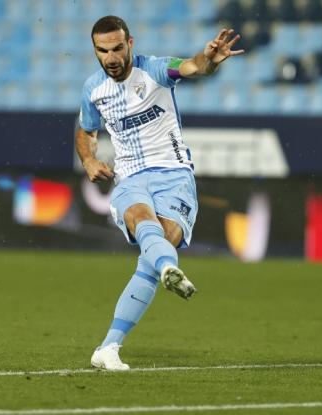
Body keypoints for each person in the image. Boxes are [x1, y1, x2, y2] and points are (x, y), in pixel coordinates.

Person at [75, 16, 243, 370]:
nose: (111, 57)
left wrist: (209, 59)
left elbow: (193, 67)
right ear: (95, 51)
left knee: (161, 240)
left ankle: (108, 348)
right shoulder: (93, 89)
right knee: (139, 218)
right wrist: (89, 160)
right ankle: (170, 268)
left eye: (117, 48)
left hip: (175, 175)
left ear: (130, 43)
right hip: (131, 177)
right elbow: (85, 131)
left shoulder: (154, 70)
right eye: (103, 51)